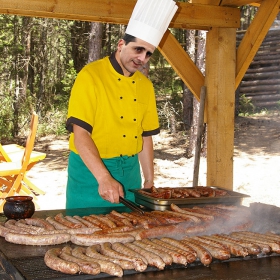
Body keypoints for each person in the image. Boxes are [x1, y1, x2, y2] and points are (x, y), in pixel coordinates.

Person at [65, 0, 178, 209]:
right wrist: (103, 177)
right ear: (121, 44)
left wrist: (149, 181)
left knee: (130, 234)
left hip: (130, 173)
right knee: (85, 235)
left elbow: (145, 136)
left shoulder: (145, 86)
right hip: (91, 173)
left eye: (148, 53)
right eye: (138, 49)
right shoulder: (90, 76)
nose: (142, 58)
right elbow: (80, 135)